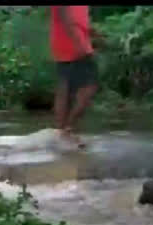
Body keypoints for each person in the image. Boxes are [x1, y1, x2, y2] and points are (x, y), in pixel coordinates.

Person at [50, 6, 99, 148]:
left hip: (76, 44)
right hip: (72, 45)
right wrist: (79, 43)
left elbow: (78, 20)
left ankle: (64, 130)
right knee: (84, 89)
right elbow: (64, 17)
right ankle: (67, 129)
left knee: (68, 88)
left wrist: (91, 32)